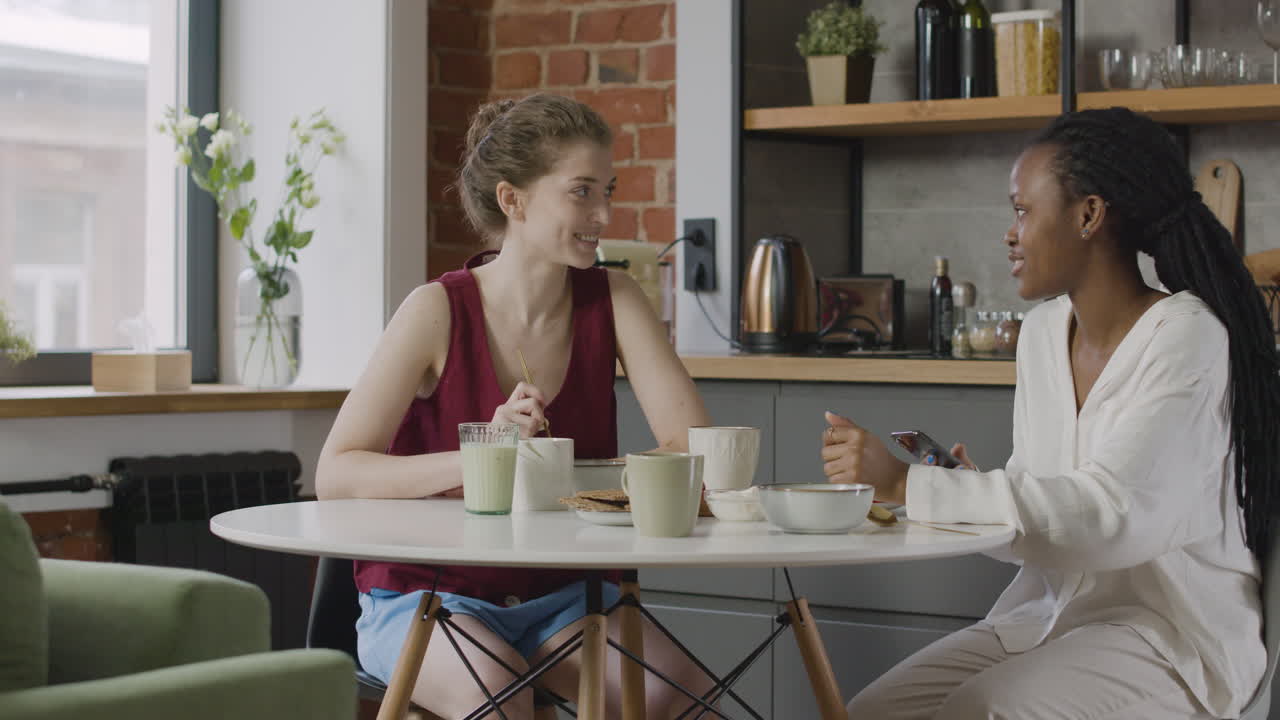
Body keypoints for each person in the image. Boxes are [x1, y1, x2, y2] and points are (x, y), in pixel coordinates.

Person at [825, 107, 1280, 719]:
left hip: (1170, 640)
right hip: (1047, 618)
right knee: (873, 711)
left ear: (1088, 214)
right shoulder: (1041, 335)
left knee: (981, 709)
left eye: (1022, 210)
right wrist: (966, 491)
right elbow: (1047, 517)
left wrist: (908, 482)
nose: (1009, 234)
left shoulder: (1186, 337)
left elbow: (1113, 516)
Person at [316, 93, 713, 720]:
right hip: (429, 595)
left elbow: (694, 447)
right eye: (581, 192)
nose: (604, 213)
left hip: (564, 596)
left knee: (680, 702)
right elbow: (336, 473)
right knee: (500, 696)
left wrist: (586, 481)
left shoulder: (614, 299)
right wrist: (483, 457)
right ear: (513, 199)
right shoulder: (434, 310)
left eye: (606, 190)